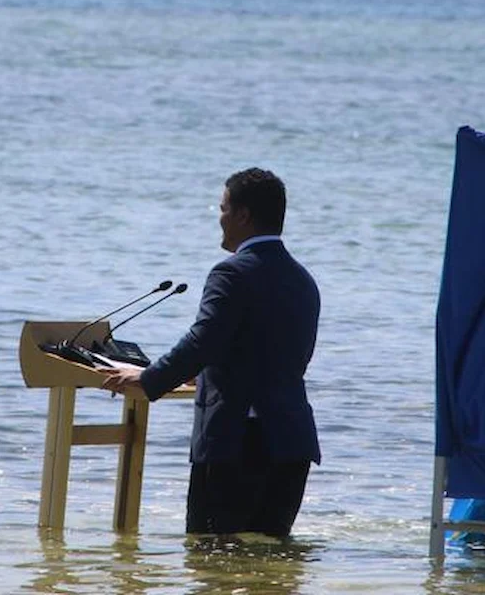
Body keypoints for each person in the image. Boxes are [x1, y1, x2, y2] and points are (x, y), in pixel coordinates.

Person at [101, 167, 321, 537]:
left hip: (238, 445)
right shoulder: (303, 279)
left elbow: (203, 340)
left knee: (210, 561)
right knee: (271, 570)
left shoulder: (231, 273)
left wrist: (148, 378)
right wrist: (204, 373)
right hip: (290, 445)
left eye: (222, 208)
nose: (219, 218)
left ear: (242, 215)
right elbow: (273, 355)